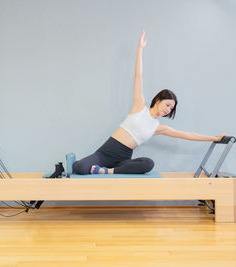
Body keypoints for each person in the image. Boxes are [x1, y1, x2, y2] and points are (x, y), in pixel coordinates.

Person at [73, 30, 227, 175]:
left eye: (171, 108)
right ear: (158, 100)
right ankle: (102, 168)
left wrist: (215, 138)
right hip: (105, 153)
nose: (168, 110)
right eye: (167, 105)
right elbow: (138, 76)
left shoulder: (158, 128)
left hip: (123, 160)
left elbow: (188, 135)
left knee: (148, 164)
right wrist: (140, 49)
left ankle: (107, 171)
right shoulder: (139, 106)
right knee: (78, 167)